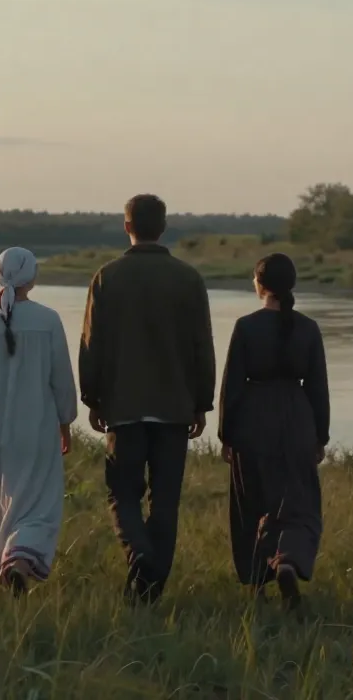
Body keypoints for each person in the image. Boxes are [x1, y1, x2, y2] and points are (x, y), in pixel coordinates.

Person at [79, 194, 216, 605]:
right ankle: (151, 588)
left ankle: (138, 553)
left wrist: (92, 397)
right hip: (175, 407)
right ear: (164, 226)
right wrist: (202, 402)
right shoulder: (188, 278)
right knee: (165, 501)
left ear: (127, 226)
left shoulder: (107, 277)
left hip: (123, 406)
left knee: (122, 494)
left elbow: (92, 343)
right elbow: (202, 345)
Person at [0, 247, 78, 596]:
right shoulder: (48, 320)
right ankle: (19, 561)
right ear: (31, 278)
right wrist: (65, 423)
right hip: (36, 429)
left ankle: (7, 566)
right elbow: (61, 379)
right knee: (38, 504)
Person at [217, 252, 330, 609]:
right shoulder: (308, 328)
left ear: (259, 284)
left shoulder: (246, 326)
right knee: (297, 501)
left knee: (251, 501)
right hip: (297, 417)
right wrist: (320, 436)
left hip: (253, 418)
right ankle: (288, 560)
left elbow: (232, 385)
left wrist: (226, 435)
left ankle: (257, 584)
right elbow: (318, 386)